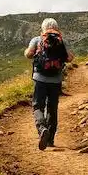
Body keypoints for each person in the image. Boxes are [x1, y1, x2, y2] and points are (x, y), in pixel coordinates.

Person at [25, 18, 74, 150]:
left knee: (37, 106)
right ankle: (50, 139)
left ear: (43, 28)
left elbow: (28, 54)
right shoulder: (61, 41)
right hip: (56, 80)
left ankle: (42, 129)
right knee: (52, 108)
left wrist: (32, 52)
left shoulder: (37, 39)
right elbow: (69, 58)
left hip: (39, 79)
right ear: (56, 28)